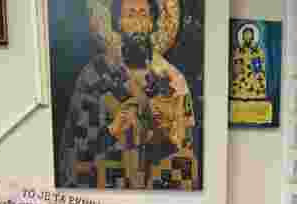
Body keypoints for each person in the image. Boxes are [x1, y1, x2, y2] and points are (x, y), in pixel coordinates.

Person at [57, 0, 198, 190]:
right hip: (107, 187)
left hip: (156, 190)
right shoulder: (95, 75)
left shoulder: (172, 78)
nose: (138, 22)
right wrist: (111, 131)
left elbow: (184, 150)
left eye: (143, 14)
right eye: (130, 15)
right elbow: (76, 150)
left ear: (153, 23)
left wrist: (159, 132)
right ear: (117, 23)